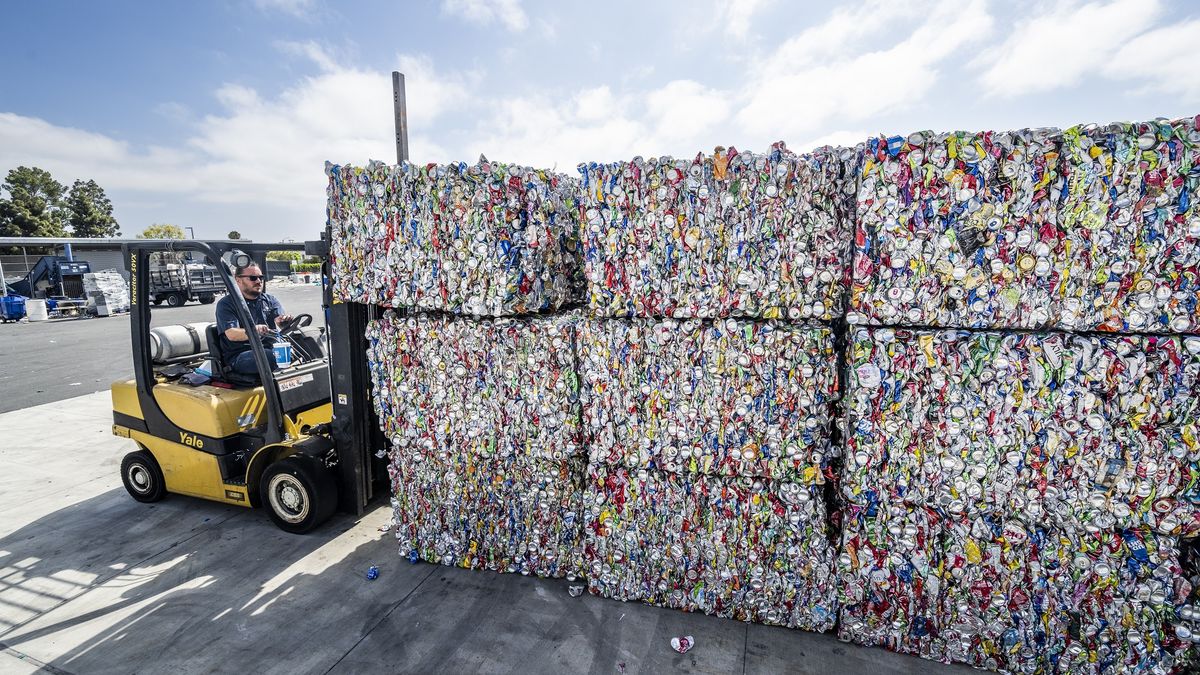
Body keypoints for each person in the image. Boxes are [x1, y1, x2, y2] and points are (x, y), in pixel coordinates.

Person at [215, 263, 292, 377]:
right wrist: (253, 330)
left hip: (268, 347)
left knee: (306, 343)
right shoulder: (227, 304)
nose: (258, 281)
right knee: (271, 356)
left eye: (261, 277)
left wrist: (284, 321)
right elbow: (232, 334)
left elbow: (280, 322)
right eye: (253, 278)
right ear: (238, 280)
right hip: (241, 355)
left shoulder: (269, 300)